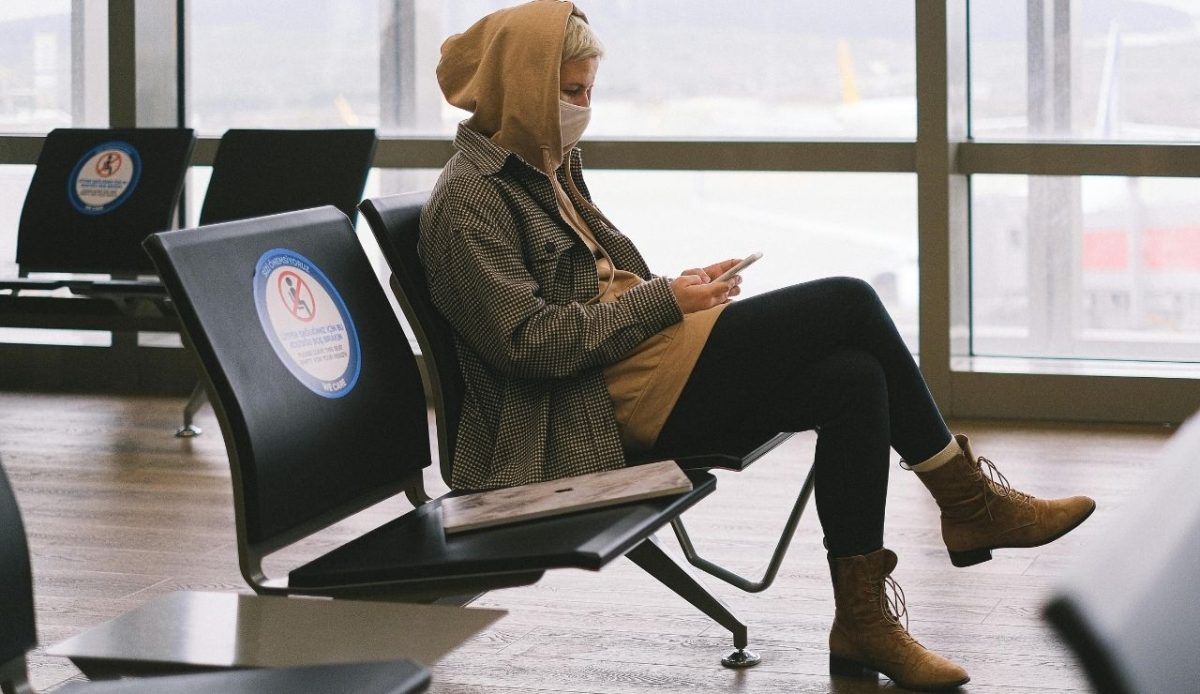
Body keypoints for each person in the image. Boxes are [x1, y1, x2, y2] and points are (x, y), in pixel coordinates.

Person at [420, 2, 1096, 690]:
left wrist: (676, 290)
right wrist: (665, 302)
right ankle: (967, 503)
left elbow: (595, 291)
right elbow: (526, 344)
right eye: (569, 92)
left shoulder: (546, 167)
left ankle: (863, 619)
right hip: (589, 409)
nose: (582, 107)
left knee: (854, 379)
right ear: (521, 86)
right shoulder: (469, 200)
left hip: (636, 369)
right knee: (848, 300)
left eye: (589, 90)